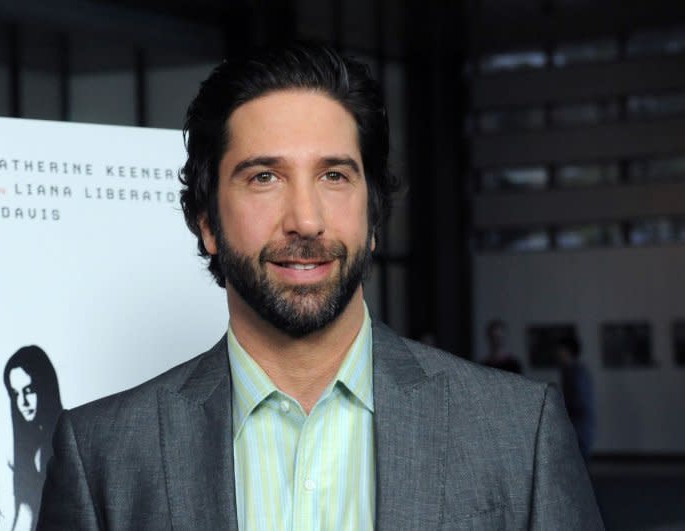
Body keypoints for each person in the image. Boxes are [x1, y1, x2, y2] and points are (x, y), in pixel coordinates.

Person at [37, 43, 603, 529]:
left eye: (334, 176)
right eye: (264, 177)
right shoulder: (103, 455)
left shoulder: (518, 432)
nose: (305, 220)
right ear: (208, 223)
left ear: (373, 217)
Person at [4, 345, 62, 531]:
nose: (23, 402)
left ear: (44, 388)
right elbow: (25, 511)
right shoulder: (26, 451)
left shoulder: (65, 441)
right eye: (16, 393)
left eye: (29, 390)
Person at [556, 336, 596, 461]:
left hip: (579, 428)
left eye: (559, 349)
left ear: (567, 351)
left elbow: (580, 402)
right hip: (574, 426)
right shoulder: (566, 371)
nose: (556, 353)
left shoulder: (578, 373)